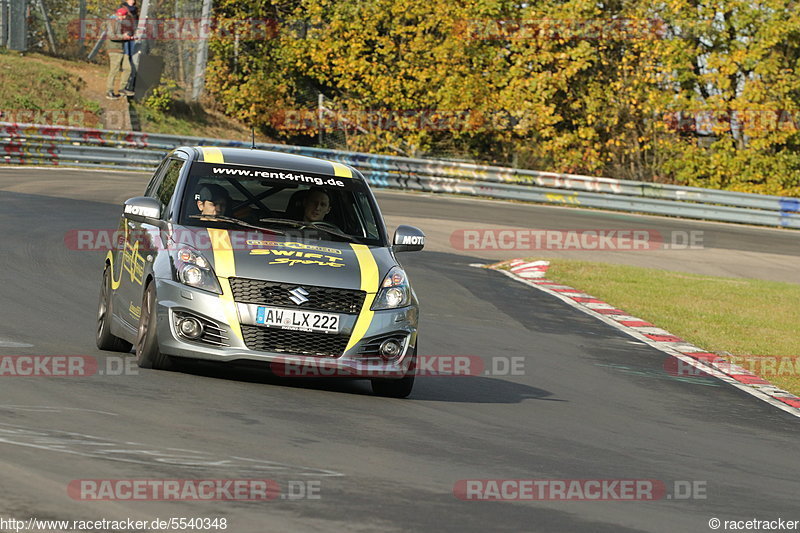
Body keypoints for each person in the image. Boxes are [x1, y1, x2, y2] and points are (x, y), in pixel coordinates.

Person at [105, 7, 135, 99]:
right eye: (124, 16)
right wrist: (123, 37)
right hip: (114, 49)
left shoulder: (120, 23)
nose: (125, 18)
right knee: (114, 70)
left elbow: (120, 35)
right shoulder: (112, 22)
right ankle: (109, 91)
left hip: (121, 49)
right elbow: (111, 36)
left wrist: (128, 37)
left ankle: (122, 89)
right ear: (120, 14)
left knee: (128, 68)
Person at [120, 0, 139, 93]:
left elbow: (136, 22)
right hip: (125, 33)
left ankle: (130, 73)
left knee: (132, 54)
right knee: (126, 53)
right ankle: (124, 70)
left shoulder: (136, 9)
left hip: (132, 34)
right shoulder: (123, 7)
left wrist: (135, 32)